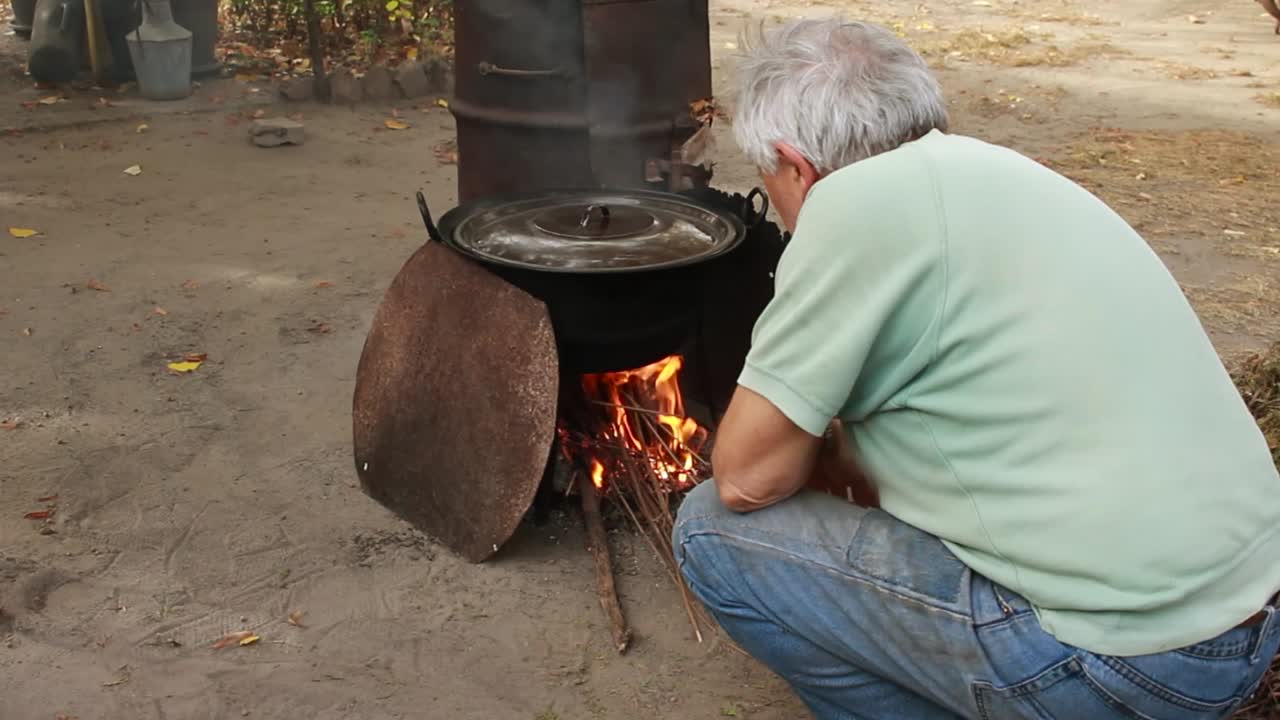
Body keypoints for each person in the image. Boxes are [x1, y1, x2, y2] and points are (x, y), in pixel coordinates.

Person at [671, 17, 1280, 720]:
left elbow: (747, 478)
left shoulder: (852, 206)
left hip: (1123, 662)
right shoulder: (1002, 171)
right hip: (1246, 618)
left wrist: (823, 451)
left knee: (713, 531)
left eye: (767, 179)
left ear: (795, 165)